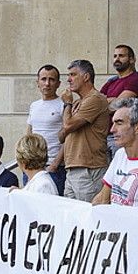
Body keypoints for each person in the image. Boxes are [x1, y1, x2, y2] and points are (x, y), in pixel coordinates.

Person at [93, 100, 138, 208]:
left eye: (119, 123)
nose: (112, 129)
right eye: (113, 123)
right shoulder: (121, 154)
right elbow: (103, 197)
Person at [59, 59, 111, 202]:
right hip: (72, 169)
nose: (68, 80)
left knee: (88, 217)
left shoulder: (95, 98)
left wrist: (67, 104)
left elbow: (67, 126)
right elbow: (61, 135)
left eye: (73, 75)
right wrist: (69, 118)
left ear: (86, 77)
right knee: (71, 218)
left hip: (88, 169)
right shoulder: (77, 103)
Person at [26, 65, 66, 195]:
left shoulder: (63, 105)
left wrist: (55, 164)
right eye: (43, 79)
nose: (47, 83)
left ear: (58, 83)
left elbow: (69, 137)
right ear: (37, 82)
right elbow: (29, 134)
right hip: (32, 167)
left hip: (54, 168)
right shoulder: (34, 105)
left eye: (52, 80)